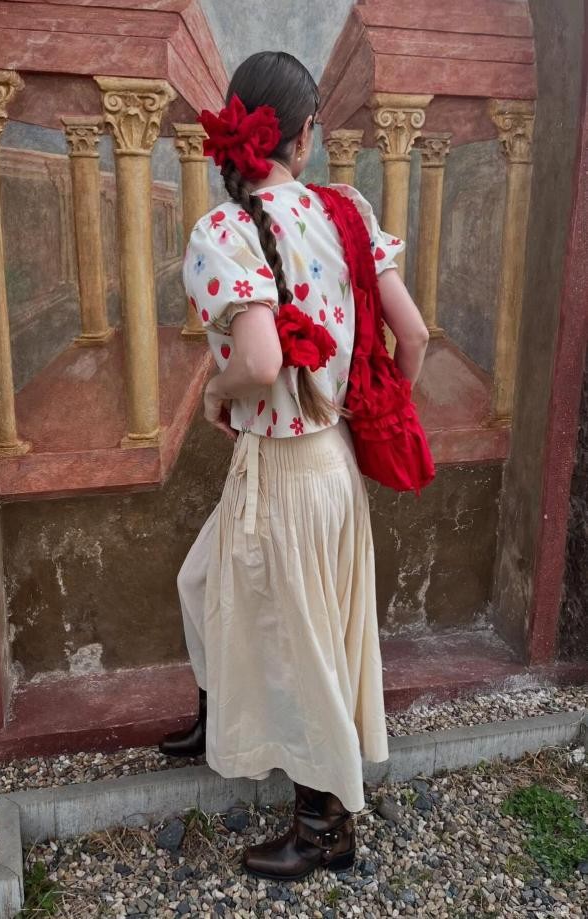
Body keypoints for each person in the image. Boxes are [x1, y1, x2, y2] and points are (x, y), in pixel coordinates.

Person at [159, 51, 429, 881]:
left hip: (282, 467)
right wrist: (373, 398)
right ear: (304, 135)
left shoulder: (223, 231)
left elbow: (259, 361)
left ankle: (324, 830)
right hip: (330, 462)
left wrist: (215, 395)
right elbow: (414, 335)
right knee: (203, 580)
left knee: (307, 649)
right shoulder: (346, 211)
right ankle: (227, 715)